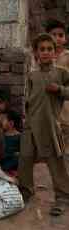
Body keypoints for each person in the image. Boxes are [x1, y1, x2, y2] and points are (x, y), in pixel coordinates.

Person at [18, 33, 69, 216]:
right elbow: (27, 100)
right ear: (36, 53)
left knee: (56, 162)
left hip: (50, 125)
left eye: (49, 49)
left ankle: (62, 198)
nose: (46, 53)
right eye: (42, 49)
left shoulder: (61, 73)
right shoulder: (32, 76)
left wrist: (60, 90)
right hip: (31, 125)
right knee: (25, 159)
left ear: (55, 53)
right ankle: (25, 192)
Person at [45, 19, 69, 153]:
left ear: (65, 39)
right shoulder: (42, 56)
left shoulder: (67, 57)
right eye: (54, 35)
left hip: (65, 106)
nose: (57, 38)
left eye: (61, 35)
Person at [0, 110, 21, 175]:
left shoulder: (19, 137)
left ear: (11, 123)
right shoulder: (0, 136)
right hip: (1, 165)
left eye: (2, 120)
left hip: (13, 168)